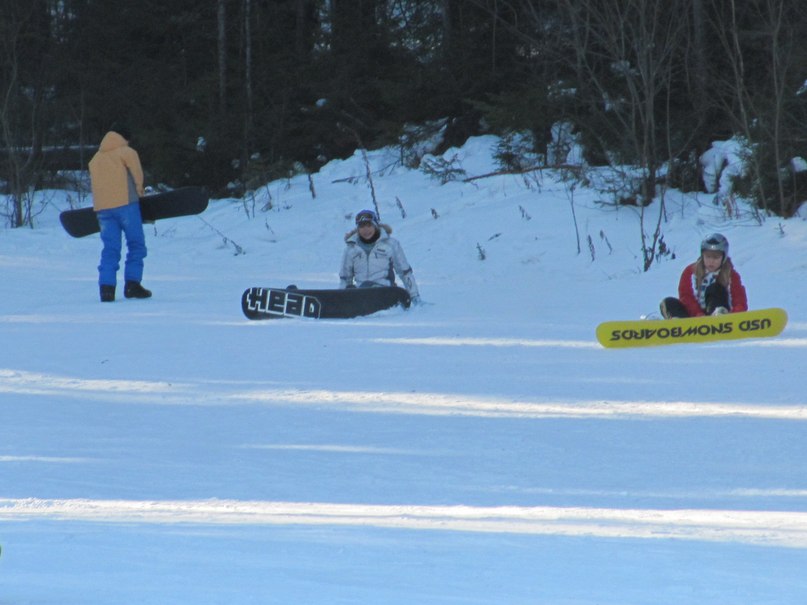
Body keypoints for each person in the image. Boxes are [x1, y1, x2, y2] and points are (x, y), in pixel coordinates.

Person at [88, 124, 152, 302]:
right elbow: (137, 175)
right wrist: (140, 193)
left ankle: (106, 289)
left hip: (102, 209)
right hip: (126, 205)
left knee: (110, 248)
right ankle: (132, 285)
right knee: (136, 244)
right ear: (125, 138)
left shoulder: (95, 159)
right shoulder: (127, 152)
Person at [339, 209, 420, 303]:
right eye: (362, 226)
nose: (366, 230)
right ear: (358, 229)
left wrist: (414, 295)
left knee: (371, 287)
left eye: (369, 225)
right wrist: (342, 298)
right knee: (356, 287)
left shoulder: (390, 245)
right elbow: (345, 278)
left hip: (385, 292)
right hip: (361, 293)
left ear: (375, 225)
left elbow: (405, 272)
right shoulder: (351, 249)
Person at [660, 233, 747, 318]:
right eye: (708, 257)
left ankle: (719, 316)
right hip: (695, 318)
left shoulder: (730, 275)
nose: (711, 261)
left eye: (716, 257)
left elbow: (739, 299)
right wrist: (698, 315)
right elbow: (686, 297)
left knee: (715, 289)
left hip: (720, 317)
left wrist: (736, 315)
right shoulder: (690, 272)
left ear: (723, 257)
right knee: (667, 303)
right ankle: (677, 325)